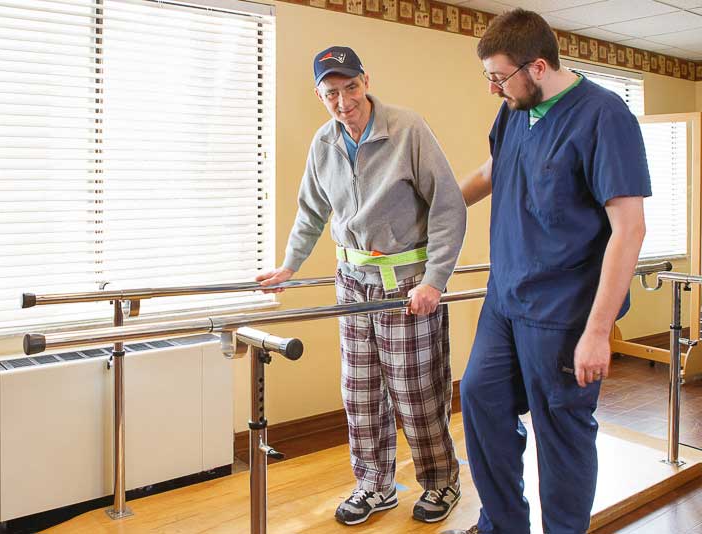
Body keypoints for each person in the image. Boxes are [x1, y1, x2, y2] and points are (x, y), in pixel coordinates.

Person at [442, 9, 651, 534]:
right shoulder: (515, 109)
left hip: (563, 310)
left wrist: (598, 332)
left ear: (537, 66)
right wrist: (432, 214)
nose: (493, 88)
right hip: (506, 297)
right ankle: (502, 525)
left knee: (560, 432)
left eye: (499, 77)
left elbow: (629, 229)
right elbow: (494, 169)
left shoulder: (604, 116)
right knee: (481, 397)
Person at [257, 46, 467, 525]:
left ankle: (442, 480)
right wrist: (289, 265)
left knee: (416, 392)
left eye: (350, 87)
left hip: (406, 283)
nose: (344, 101)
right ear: (319, 95)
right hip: (351, 282)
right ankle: (375, 484)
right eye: (331, 93)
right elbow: (311, 212)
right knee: (361, 391)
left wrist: (435, 280)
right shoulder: (323, 144)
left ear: (366, 81)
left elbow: (448, 207)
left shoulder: (407, 129)